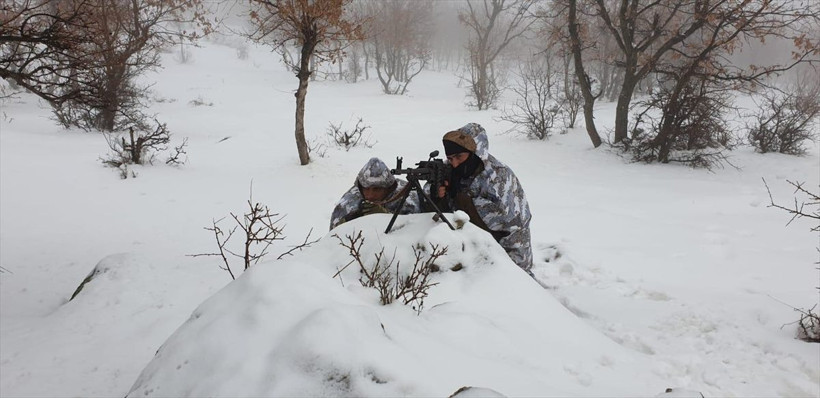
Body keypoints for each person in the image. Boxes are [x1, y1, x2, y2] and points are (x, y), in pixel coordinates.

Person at [430, 123, 534, 275]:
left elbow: (514, 228)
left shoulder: (498, 177)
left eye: (459, 157)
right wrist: (438, 195)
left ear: (475, 153)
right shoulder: (449, 168)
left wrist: (460, 196)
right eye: (450, 158)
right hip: (469, 247)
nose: (455, 163)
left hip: (508, 245)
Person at [330, 157, 420, 230]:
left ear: (388, 188)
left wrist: (386, 216)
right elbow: (333, 239)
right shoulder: (349, 202)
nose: (370, 195)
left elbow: (419, 229)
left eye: (377, 189)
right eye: (366, 189)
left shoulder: (408, 196)